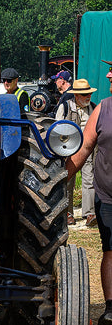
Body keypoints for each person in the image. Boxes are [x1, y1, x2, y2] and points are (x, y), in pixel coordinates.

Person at [66, 61, 112, 325]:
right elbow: (82, 151)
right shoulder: (102, 110)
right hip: (108, 198)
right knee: (110, 250)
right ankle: (111, 308)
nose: (108, 74)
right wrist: (62, 181)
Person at [56, 78, 97, 227]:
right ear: (76, 96)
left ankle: (89, 214)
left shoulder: (93, 107)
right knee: (67, 181)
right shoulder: (65, 107)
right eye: (85, 94)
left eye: (89, 94)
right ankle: (68, 213)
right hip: (68, 150)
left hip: (88, 149)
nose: (88, 97)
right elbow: (56, 129)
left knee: (89, 179)